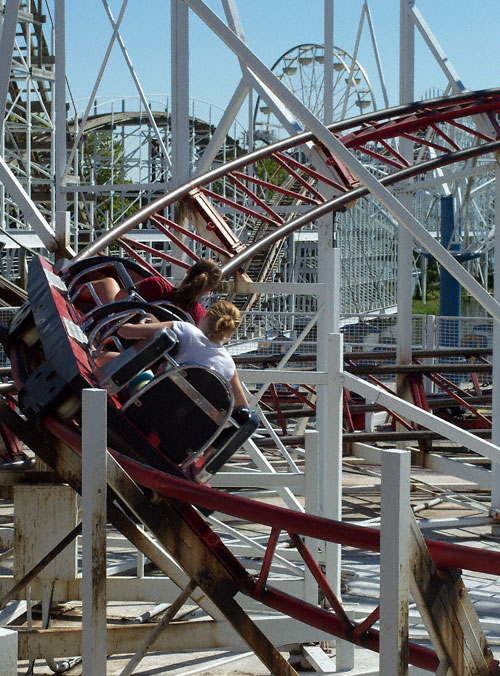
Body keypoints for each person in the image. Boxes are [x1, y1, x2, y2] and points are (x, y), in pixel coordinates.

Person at [115, 300, 248, 407]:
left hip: (150, 403)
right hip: (182, 425)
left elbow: (125, 332)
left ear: (206, 315)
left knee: (144, 372)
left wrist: (141, 322)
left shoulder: (185, 329)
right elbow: (242, 405)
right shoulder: (229, 365)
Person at [85, 258, 222, 327]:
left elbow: (119, 298)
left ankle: (68, 288)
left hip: (116, 333)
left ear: (188, 270)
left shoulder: (157, 285)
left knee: (108, 283)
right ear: (209, 290)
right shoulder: (200, 317)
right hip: (149, 358)